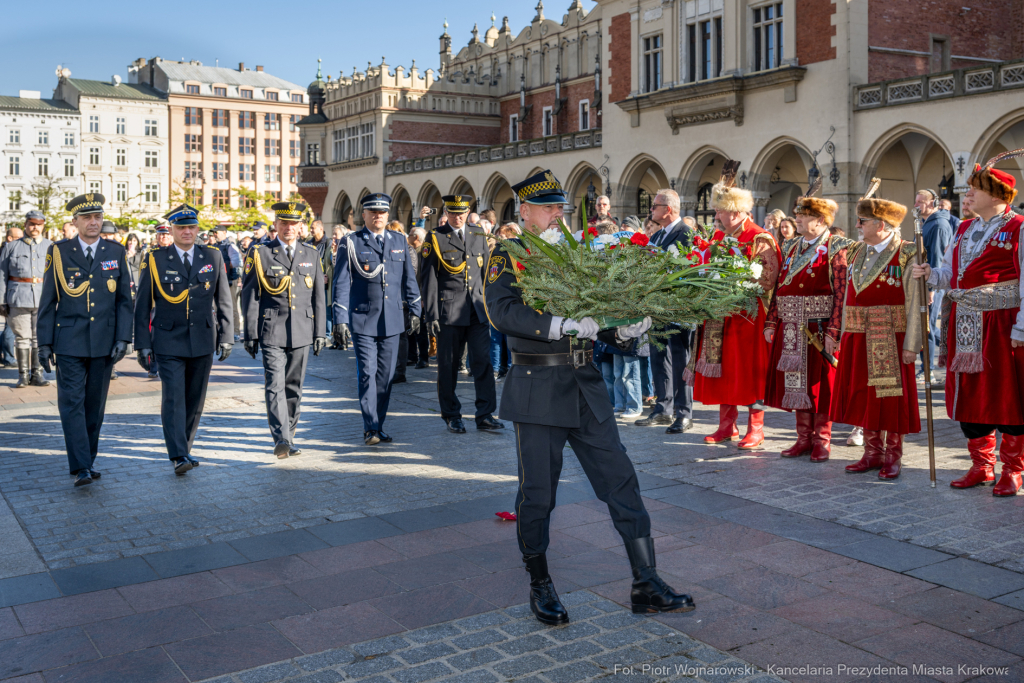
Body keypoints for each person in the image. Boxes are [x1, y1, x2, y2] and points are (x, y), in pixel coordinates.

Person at [485, 168, 694, 624]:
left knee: (622, 482)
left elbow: (600, 315)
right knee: (538, 494)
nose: (557, 213)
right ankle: (540, 583)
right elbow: (501, 312)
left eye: (560, 206)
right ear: (525, 211)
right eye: (547, 207)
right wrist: (557, 325)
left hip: (585, 385)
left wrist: (625, 330)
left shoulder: (579, 253)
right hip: (538, 390)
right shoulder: (510, 253)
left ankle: (646, 581)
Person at [913, 154, 1024, 496]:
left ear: (998, 195)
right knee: (970, 399)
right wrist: (931, 275)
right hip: (964, 324)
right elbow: (951, 274)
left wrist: (1021, 328)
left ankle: (1014, 470)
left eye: (976, 189)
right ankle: (982, 466)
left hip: (1001, 324)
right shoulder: (963, 228)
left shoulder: (1018, 226)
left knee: (1008, 398)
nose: (968, 194)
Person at [36, 193, 133, 487]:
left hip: (104, 342)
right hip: (70, 341)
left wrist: (122, 338)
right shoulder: (59, 251)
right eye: (87, 218)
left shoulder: (115, 252)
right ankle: (81, 466)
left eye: (98, 217)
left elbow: (124, 301)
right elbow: (48, 300)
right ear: (75, 221)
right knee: (72, 404)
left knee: (95, 406)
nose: (94, 222)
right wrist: (44, 342)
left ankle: (86, 460)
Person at [134, 204, 234, 475]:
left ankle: (185, 448)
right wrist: (142, 343)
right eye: (181, 227)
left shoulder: (212, 256)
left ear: (197, 229)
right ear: (173, 230)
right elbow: (142, 305)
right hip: (168, 338)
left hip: (202, 336)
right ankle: (178, 454)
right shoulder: (155, 259)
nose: (187, 231)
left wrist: (227, 336)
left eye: (191, 227)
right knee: (174, 397)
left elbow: (223, 299)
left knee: (194, 399)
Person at [690, 162, 781, 447]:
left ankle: (757, 427)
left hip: (747, 318)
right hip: (720, 315)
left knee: (749, 372)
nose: (715, 216)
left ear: (736, 211)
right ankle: (727, 426)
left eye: (719, 211)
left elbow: (768, 279)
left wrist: (735, 285)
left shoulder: (759, 237)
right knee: (724, 372)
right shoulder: (720, 238)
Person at [833, 188, 921, 480]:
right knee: (863, 395)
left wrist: (912, 345)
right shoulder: (857, 250)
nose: (857, 225)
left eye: (863, 221)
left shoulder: (907, 251)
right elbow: (847, 296)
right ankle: (872, 452)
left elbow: (915, 301)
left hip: (890, 335)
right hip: (858, 334)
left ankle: (893, 456)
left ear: (881, 225)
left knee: (891, 399)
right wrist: (842, 333)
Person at [764, 193, 849, 459]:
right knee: (796, 385)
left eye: (803, 216)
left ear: (820, 220)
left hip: (818, 327)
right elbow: (780, 286)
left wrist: (834, 331)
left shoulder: (837, 247)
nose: (797, 219)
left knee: (820, 384)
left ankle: (822, 440)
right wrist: (771, 320)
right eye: (797, 214)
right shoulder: (791, 246)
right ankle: (803, 438)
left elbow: (841, 292)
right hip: (790, 325)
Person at [333, 194, 422, 445]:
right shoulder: (350, 242)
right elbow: (340, 282)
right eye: (372, 212)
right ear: (364, 215)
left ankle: (378, 424)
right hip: (363, 318)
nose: (378, 216)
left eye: (382, 212)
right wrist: (340, 318)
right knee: (367, 373)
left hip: (392, 319)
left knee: (386, 376)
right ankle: (370, 427)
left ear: (387, 214)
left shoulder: (398, 240)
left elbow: (409, 279)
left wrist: (415, 310)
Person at [242, 202, 327, 459]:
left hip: (302, 328)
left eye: (293, 223)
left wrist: (320, 332)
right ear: (276, 225)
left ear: (300, 226)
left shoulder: (310, 254)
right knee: (274, 384)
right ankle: (281, 438)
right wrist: (251, 333)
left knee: (294, 386)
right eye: (284, 223)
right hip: (272, 328)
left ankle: (289, 435)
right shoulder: (261, 253)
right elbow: (251, 296)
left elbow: (319, 298)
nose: (289, 228)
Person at [419, 196, 503, 433]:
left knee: (483, 362)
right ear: (447, 211)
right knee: (448, 365)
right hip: (449, 312)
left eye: (462, 212)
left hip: (477, 310)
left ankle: (485, 413)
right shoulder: (435, 237)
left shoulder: (478, 234)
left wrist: (491, 305)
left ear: (468, 212)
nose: (458, 217)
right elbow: (429, 279)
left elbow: (487, 273)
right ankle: (451, 414)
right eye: (454, 213)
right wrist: (432, 315)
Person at [634, 189, 696, 434]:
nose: (652, 210)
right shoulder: (658, 236)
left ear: (668, 209)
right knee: (659, 357)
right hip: (657, 307)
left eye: (655, 206)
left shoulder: (687, 234)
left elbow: (691, 269)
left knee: (681, 361)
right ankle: (662, 408)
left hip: (679, 308)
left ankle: (684, 412)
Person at [0, 210, 53, 387]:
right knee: (22, 337)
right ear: (26, 225)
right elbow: (1, 275)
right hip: (18, 297)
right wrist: (1, 300)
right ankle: (23, 375)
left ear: (43, 226)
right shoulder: (11, 247)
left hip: (43, 298)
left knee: (39, 337)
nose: (34, 227)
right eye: (31, 224)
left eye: (38, 224)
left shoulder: (51, 247)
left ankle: (37, 374)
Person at [915, 189, 955, 387]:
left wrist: (931, 288)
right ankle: (949, 349)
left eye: (921, 202)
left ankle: (927, 370)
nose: (917, 206)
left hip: (933, 282)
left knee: (928, 326)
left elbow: (938, 259)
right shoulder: (925, 223)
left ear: (933, 203)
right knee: (928, 326)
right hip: (926, 280)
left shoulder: (938, 224)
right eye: (916, 202)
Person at [213, 226, 243, 342]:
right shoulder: (215, 246)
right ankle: (221, 331)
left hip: (230, 279)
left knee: (232, 307)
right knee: (217, 307)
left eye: (217, 232)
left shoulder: (230, 246)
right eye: (214, 232)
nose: (215, 234)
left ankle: (235, 332)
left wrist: (220, 266)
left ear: (224, 233)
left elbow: (235, 263)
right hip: (218, 280)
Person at [407, 227, 430, 368]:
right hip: (410, 295)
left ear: (416, 237)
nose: (407, 237)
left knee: (420, 329)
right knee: (409, 327)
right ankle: (411, 356)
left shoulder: (423, 253)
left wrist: (421, 297)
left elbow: (424, 277)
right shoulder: (411, 251)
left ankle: (423, 357)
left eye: (410, 234)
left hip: (419, 296)